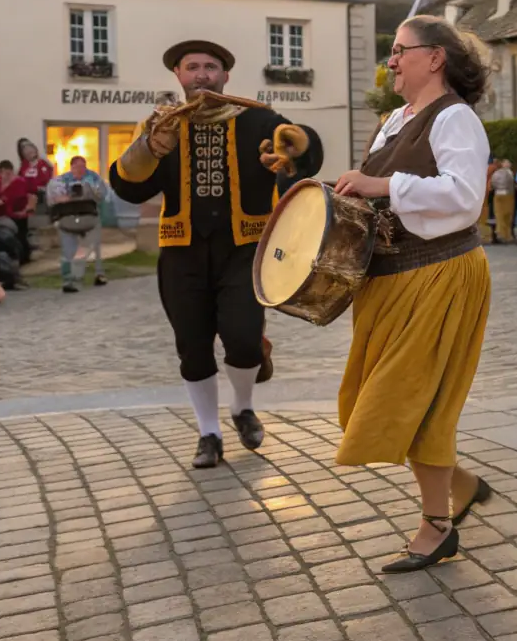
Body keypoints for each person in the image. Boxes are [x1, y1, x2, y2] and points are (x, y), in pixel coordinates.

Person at [110, 39, 323, 469]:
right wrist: (150, 149)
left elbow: (305, 154)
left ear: (225, 76)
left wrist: (294, 144)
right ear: (179, 76)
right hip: (182, 250)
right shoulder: (160, 124)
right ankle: (209, 432)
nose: (202, 75)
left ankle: (242, 406)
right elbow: (128, 186)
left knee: (243, 339)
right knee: (193, 346)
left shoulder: (258, 119)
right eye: (192, 67)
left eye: (210, 67)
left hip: (245, 249)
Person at [332, 15, 495, 572]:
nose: (392, 62)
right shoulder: (396, 119)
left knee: (413, 404)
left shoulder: (456, 119)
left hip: (440, 273)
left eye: (400, 51)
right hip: (389, 279)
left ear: (436, 57)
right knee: (371, 403)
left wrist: (382, 184)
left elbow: (465, 197)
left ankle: (437, 527)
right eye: (391, 53)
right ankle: (460, 484)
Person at [47, 155, 110, 293]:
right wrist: (71, 197)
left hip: (89, 217)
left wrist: (90, 192)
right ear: (72, 167)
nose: (81, 170)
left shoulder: (93, 178)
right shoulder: (61, 180)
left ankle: (98, 274)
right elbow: (55, 198)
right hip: (68, 218)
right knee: (69, 249)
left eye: (83, 166)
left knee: (93, 246)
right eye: (78, 167)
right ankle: (69, 279)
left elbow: (102, 195)